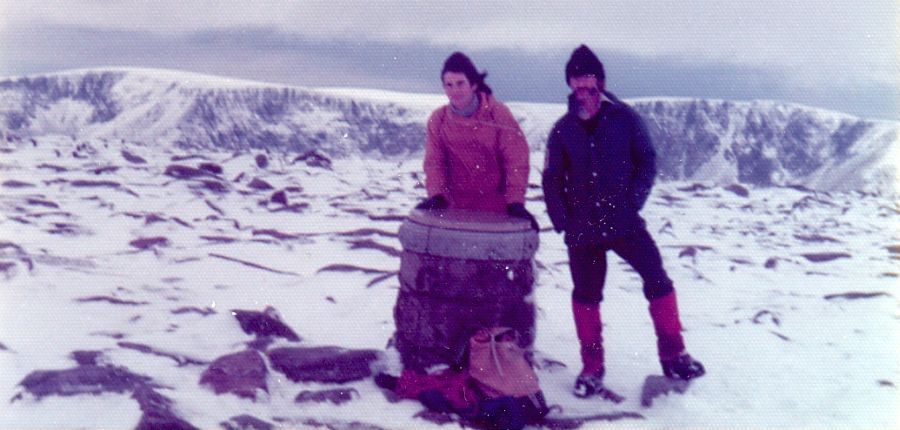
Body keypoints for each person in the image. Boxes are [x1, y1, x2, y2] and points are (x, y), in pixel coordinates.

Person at [542, 45, 705, 398]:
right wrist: (562, 221)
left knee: (657, 279)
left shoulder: (626, 119)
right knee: (586, 296)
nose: (583, 84)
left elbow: (647, 161)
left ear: (600, 80)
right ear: (570, 82)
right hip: (583, 229)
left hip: (624, 222)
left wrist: (632, 203)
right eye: (576, 78)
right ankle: (592, 368)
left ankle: (674, 354)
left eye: (589, 77)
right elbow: (552, 178)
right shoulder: (563, 129)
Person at [416, 52, 538, 230]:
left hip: (496, 213)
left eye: (460, 83)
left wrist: (515, 202)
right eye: (448, 85)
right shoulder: (438, 119)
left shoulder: (498, 114)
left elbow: (516, 160)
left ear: (473, 84)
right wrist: (437, 195)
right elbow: (434, 162)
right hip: (454, 213)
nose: (454, 90)